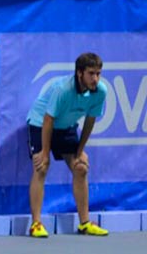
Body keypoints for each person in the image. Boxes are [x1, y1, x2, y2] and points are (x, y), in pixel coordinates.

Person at [26, 52, 109, 238]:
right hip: (41, 123)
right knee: (41, 166)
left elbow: (89, 121)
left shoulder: (100, 91)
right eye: (91, 73)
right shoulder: (62, 89)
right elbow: (48, 119)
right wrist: (45, 152)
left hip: (66, 127)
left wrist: (80, 151)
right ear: (80, 73)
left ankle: (85, 223)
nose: (95, 78)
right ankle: (36, 224)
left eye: (98, 73)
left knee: (81, 168)